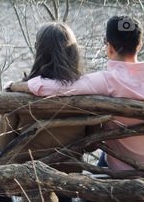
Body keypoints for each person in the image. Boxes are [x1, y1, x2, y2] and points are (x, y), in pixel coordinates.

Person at [9, 15, 144, 171]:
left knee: (107, 160)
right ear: (139, 45)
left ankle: (93, 200)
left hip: (128, 166)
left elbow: (55, 88)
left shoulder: (106, 81)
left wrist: (16, 86)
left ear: (109, 47)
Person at [7, 22, 88, 159]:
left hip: (26, 174)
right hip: (71, 171)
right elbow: (92, 145)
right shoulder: (86, 90)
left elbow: (3, 143)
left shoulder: (17, 93)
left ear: (39, 50)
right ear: (73, 53)